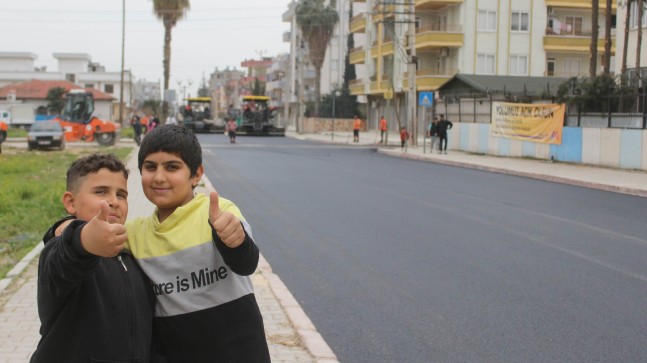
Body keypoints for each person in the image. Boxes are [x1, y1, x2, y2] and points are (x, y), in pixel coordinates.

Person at [126, 125, 270, 362]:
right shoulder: (135, 233)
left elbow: (246, 263)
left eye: (172, 167)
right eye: (150, 167)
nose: (159, 177)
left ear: (196, 174)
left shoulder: (219, 211)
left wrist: (234, 240)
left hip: (240, 353)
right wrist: (64, 229)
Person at [30, 154, 156, 363]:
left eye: (122, 194)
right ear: (71, 202)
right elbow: (67, 253)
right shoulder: (59, 252)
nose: (114, 201)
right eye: (101, 191)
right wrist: (82, 238)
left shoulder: (130, 258)